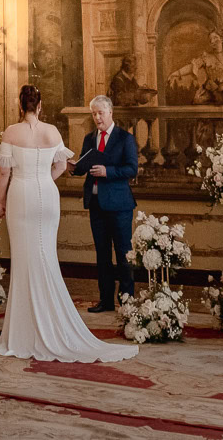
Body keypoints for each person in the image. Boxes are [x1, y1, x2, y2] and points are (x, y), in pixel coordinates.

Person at [0, 86, 138, 363]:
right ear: (40, 106)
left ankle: (23, 328)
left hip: (21, 194)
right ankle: (52, 320)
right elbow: (61, 166)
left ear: (21, 106)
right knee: (45, 254)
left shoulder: (11, 132)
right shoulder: (52, 131)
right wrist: (43, 180)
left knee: (23, 257)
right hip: (46, 196)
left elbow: (4, 171)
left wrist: (2, 201)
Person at [71, 94, 139, 313]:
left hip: (119, 205)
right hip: (96, 204)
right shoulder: (89, 138)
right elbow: (84, 164)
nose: (97, 117)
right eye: (94, 114)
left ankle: (127, 301)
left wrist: (107, 172)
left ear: (111, 112)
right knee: (102, 255)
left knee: (123, 254)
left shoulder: (124, 138)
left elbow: (132, 169)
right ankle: (106, 301)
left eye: (100, 113)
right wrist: (74, 167)